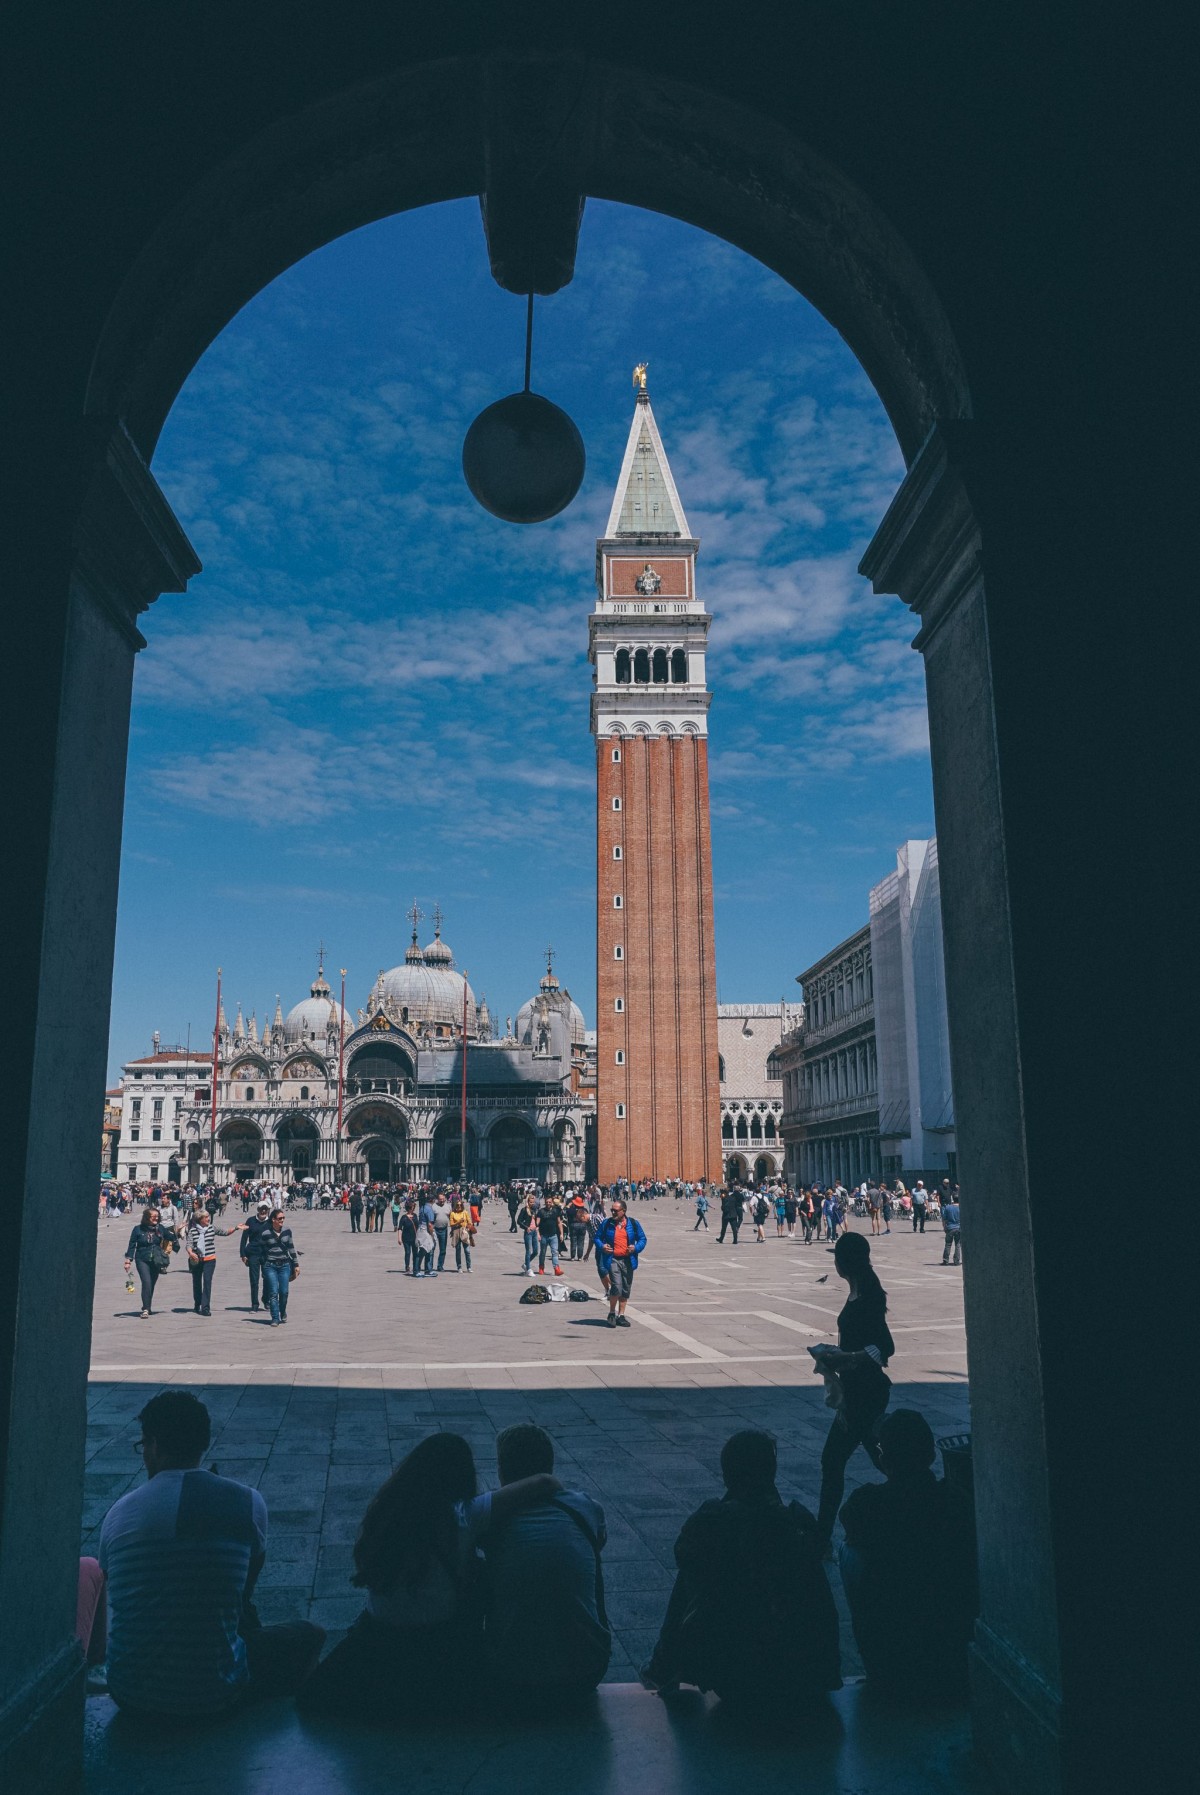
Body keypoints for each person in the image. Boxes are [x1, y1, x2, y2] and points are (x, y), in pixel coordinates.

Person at [296, 1432, 560, 1716]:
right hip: (439, 1641)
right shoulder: (463, 1515)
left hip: (377, 1637)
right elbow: (543, 1482)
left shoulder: (384, 1512)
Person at [100, 1392, 324, 1714]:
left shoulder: (119, 1513)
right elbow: (243, 1593)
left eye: (144, 1446)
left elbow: (114, 1588)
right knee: (310, 1634)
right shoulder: (248, 1503)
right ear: (202, 1443)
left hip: (130, 1693)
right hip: (216, 1695)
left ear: (155, 1445)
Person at [641, 1430, 839, 1704]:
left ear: (727, 1475)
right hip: (811, 1674)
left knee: (692, 1573)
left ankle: (663, 1664)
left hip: (740, 1678)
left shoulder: (716, 1522)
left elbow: (684, 1555)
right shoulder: (797, 1522)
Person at [838, 1409, 977, 1689]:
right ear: (931, 1455)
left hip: (894, 1654)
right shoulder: (955, 1502)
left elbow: (850, 1520)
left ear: (884, 1458)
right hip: (950, 1647)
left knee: (847, 1552)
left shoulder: (867, 1504)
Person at [481, 1424, 610, 1695]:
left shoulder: (488, 1518)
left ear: (502, 1472)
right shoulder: (586, 1506)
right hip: (587, 1670)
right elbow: (598, 1543)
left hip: (508, 1674)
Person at [813, 1231, 895, 1549]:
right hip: (862, 1392)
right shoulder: (860, 1291)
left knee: (833, 1461)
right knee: (881, 1457)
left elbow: (885, 1347)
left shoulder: (869, 1296)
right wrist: (836, 1354)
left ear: (844, 1262)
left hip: (864, 1394)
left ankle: (821, 1539)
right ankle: (917, 1492)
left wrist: (847, 1357)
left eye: (836, 1257)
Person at [596, 1199, 646, 1328]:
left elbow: (642, 1238)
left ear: (623, 1211)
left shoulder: (633, 1224)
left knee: (625, 1288)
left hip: (628, 1259)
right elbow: (597, 1237)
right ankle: (612, 1313)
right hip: (613, 1259)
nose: (613, 1212)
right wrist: (602, 1246)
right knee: (616, 1286)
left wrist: (636, 1248)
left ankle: (621, 1315)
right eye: (612, 1210)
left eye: (615, 1210)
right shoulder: (606, 1223)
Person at [185, 1207, 242, 1316]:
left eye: (208, 1217)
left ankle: (205, 1307)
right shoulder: (192, 1230)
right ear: (199, 1219)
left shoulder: (211, 1228)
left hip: (210, 1260)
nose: (208, 1219)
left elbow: (225, 1232)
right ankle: (197, 1303)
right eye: (206, 1217)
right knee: (197, 1283)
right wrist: (191, 1253)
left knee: (207, 1282)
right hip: (196, 1261)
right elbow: (189, 1244)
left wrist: (236, 1228)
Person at [122, 1207, 174, 1318]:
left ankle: (148, 1306)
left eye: (157, 1216)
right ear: (147, 1217)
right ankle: (145, 1309)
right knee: (146, 1282)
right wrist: (128, 1260)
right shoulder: (138, 1229)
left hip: (156, 1260)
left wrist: (180, 1230)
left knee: (152, 1284)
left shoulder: (160, 1228)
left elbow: (171, 1237)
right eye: (153, 1216)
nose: (156, 1218)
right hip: (142, 1259)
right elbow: (132, 1245)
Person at [261, 1208, 300, 1324]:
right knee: (273, 1292)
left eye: (283, 1218)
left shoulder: (287, 1231)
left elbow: (291, 1248)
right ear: (273, 1220)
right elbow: (262, 1251)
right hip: (270, 1266)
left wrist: (296, 1264)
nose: (282, 1220)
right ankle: (275, 1318)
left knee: (284, 1292)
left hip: (284, 1265)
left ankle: (282, 1311)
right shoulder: (265, 1233)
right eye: (279, 1218)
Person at [537, 1192, 565, 1276]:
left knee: (555, 1252)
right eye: (547, 1202)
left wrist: (561, 1234)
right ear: (545, 1202)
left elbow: (559, 1222)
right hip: (544, 1236)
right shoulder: (541, 1211)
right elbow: (537, 1224)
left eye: (549, 1202)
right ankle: (541, 1267)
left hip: (553, 1235)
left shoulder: (555, 1211)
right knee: (543, 1252)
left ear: (552, 1202)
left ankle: (556, 1269)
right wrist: (538, 1234)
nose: (548, 1204)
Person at [449, 1192, 473, 1272]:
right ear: (455, 1206)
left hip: (464, 1231)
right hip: (456, 1232)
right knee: (458, 1251)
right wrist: (458, 1222)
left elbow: (469, 1222)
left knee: (467, 1251)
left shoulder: (465, 1212)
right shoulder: (452, 1213)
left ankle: (469, 1267)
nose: (459, 1206)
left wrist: (469, 1227)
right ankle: (459, 1267)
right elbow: (451, 1224)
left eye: (460, 1205)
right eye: (457, 1205)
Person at [566, 1189, 590, 1260]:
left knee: (573, 1241)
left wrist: (568, 1206)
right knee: (581, 1241)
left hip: (573, 1225)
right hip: (582, 1226)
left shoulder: (571, 1210)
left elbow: (565, 1211)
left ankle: (573, 1256)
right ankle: (580, 1256)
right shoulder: (585, 1210)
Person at [431, 1191, 452, 1272]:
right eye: (440, 1199)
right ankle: (430, 1266)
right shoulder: (433, 1206)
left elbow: (451, 1218)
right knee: (432, 1249)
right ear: (437, 1199)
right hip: (435, 1229)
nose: (442, 1201)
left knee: (443, 1249)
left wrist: (452, 1229)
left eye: (443, 1199)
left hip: (444, 1230)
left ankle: (440, 1266)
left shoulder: (448, 1206)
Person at [941, 1191, 962, 1264]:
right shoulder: (961, 1208)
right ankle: (956, 1261)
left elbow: (944, 1219)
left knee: (948, 1244)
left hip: (950, 1227)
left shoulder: (948, 1207)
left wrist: (944, 1227)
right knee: (958, 1244)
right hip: (958, 1228)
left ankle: (945, 1260)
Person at [399, 1200, 418, 1274]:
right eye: (413, 1207)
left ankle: (415, 1267)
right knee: (407, 1252)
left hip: (415, 1237)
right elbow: (400, 1228)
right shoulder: (403, 1217)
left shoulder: (415, 1216)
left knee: (415, 1253)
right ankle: (407, 1267)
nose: (413, 1208)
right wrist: (399, 1238)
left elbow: (418, 1226)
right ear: (410, 1208)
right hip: (406, 1238)